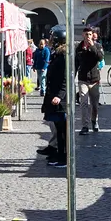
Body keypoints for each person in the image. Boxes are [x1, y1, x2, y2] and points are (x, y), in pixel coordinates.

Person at [42, 33, 68, 168]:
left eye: (52, 39)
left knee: (62, 130)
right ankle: (58, 153)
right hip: (53, 95)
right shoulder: (57, 54)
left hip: (60, 98)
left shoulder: (64, 57)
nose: (50, 41)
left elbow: (65, 79)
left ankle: (63, 157)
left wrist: (60, 95)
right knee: (58, 129)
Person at [74, 28, 103, 135]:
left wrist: (92, 47)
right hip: (83, 79)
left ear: (92, 35)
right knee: (84, 103)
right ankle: (84, 126)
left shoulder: (98, 46)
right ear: (83, 35)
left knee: (94, 105)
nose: (88, 36)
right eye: (86, 34)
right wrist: (73, 75)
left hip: (95, 80)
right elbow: (76, 62)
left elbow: (100, 58)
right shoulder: (78, 47)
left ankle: (94, 121)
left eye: (90, 34)